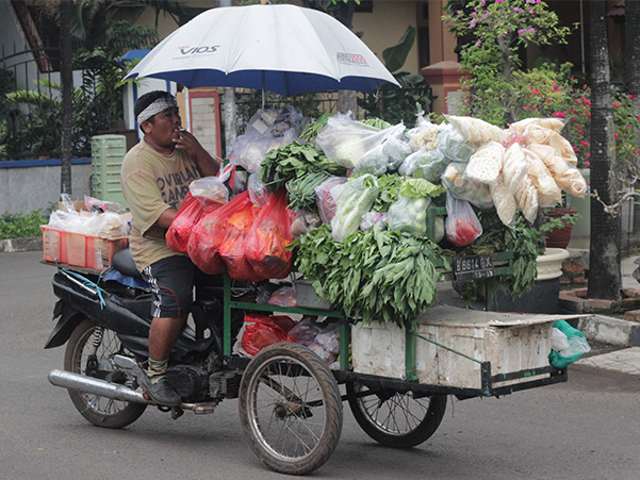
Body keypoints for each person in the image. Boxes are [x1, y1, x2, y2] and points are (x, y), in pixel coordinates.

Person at [121, 91, 220, 405]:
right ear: (147, 126)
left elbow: (217, 179)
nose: (176, 122)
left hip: (197, 242)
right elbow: (157, 215)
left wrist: (198, 150)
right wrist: (200, 226)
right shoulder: (137, 161)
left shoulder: (184, 149)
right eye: (168, 116)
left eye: (176, 114)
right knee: (176, 296)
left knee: (234, 286)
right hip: (160, 248)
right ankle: (156, 373)